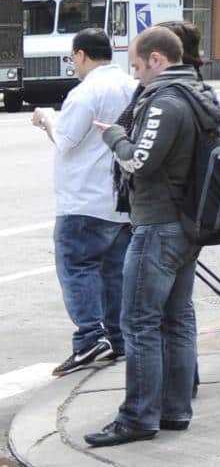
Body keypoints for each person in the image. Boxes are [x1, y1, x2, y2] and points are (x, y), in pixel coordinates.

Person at [84, 25, 220, 447]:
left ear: (158, 60)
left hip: (159, 223)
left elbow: (140, 162)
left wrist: (113, 136)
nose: (137, 76)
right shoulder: (199, 94)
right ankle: (175, 409)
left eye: (139, 67)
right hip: (186, 222)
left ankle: (138, 417)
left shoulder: (165, 101)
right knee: (177, 319)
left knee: (139, 322)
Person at [34, 28, 136, 377]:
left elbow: (65, 139)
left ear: (80, 55)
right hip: (120, 199)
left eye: (73, 58)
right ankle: (118, 338)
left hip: (83, 200)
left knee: (78, 268)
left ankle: (91, 337)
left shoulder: (86, 91)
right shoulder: (130, 85)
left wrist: (46, 117)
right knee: (113, 272)